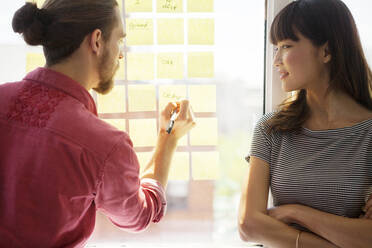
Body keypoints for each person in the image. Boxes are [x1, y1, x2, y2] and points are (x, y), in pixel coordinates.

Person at [0, 0, 195, 247]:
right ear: (97, 40)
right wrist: (168, 138)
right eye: (120, 39)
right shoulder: (104, 144)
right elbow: (140, 214)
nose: (121, 53)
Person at [238, 0, 372, 247]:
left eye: (286, 46)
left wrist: (295, 213)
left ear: (326, 52)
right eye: (275, 48)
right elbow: (249, 225)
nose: (276, 59)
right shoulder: (271, 129)